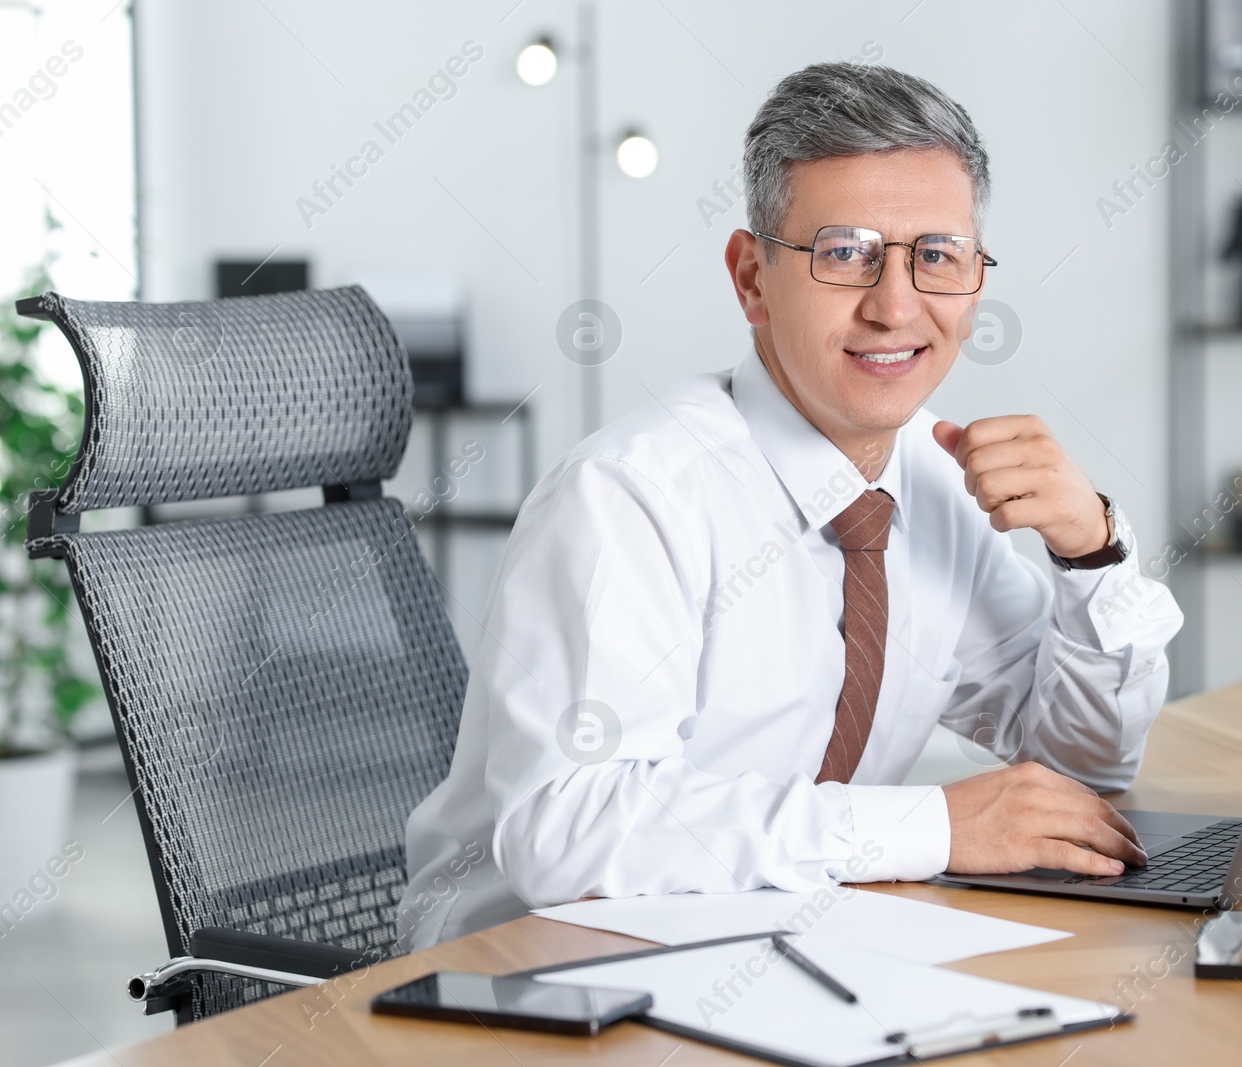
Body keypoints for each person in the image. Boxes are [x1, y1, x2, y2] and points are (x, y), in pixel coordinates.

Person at [400, 61, 1183, 949]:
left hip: (777, 948)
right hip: (527, 979)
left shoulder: (932, 482)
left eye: (936, 256)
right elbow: (568, 830)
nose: (895, 306)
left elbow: (1083, 769)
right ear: (751, 278)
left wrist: (1090, 552)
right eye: (845, 253)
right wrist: (930, 827)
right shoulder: (629, 499)